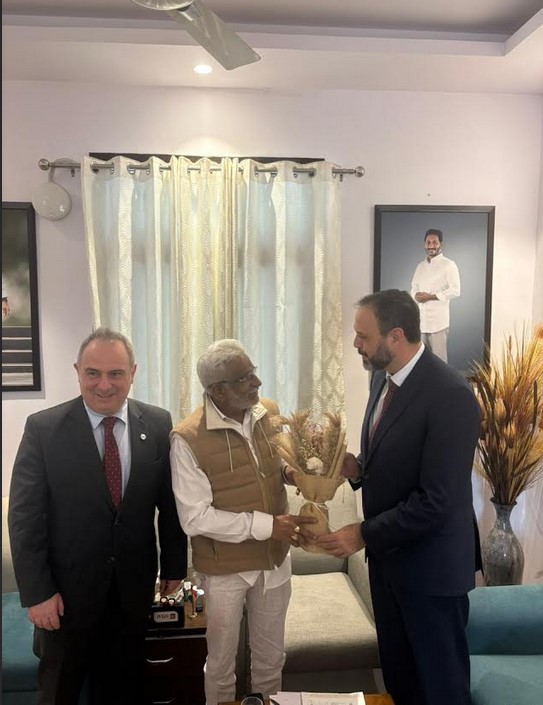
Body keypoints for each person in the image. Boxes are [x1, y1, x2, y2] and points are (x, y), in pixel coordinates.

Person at [317, 290, 481, 705]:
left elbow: (436, 501)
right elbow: (391, 463)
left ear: (395, 336)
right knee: (400, 685)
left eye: (363, 336)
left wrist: (363, 533)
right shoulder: (381, 378)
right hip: (389, 568)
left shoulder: (451, 395)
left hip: (432, 573)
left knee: (441, 691)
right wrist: (355, 468)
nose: (356, 344)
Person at [8, 327, 187, 705]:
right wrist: (38, 593)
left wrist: (174, 565)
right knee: (59, 693)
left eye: (115, 373)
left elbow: (170, 502)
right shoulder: (44, 429)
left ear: (133, 373)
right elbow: (24, 518)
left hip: (132, 593)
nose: (104, 385)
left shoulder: (158, 424)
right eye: (93, 373)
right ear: (78, 371)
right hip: (64, 599)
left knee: (123, 690)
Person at [170, 339, 316, 705]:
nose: (257, 382)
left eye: (253, 372)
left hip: (274, 561)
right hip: (224, 570)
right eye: (245, 377)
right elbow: (194, 518)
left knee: (271, 661)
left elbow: (274, 465)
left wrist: (291, 473)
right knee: (221, 665)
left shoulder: (267, 412)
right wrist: (268, 526)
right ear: (217, 390)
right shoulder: (187, 438)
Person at [410, 227, 460, 362]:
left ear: (441, 244)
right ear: (424, 244)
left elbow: (455, 290)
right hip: (422, 321)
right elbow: (413, 287)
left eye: (435, 242)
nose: (431, 246)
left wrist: (431, 296)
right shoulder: (420, 266)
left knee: (439, 361)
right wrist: (416, 296)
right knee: (421, 360)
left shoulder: (449, 265)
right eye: (428, 242)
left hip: (439, 322)